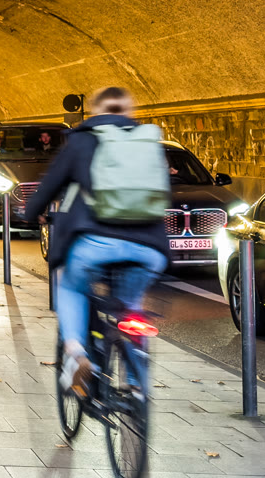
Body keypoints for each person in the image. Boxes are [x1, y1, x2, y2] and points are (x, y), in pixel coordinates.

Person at [21, 87, 172, 394]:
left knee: (70, 286)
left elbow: (49, 186)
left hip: (94, 245)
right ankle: (135, 389)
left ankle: (77, 354)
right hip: (149, 249)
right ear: (129, 110)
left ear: (95, 111)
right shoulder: (148, 142)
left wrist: (32, 213)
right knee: (131, 307)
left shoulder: (82, 140)